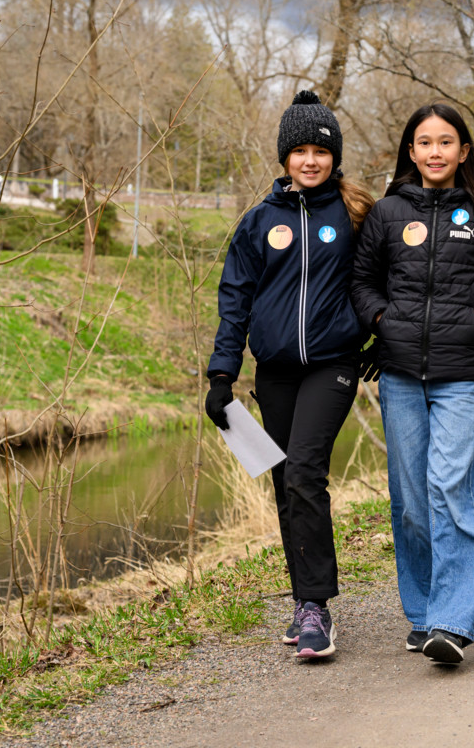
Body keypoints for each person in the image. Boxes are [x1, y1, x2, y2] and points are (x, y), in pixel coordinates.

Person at [351, 102, 474, 664]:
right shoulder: (388, 213)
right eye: (425, 142)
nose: (435, 151)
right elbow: (360, 281)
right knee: (413, 502)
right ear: (410, 151)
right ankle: (423, 616)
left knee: (449, 488)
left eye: (446, 142)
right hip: (398, 375)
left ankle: (453, 621)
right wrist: (382, 319)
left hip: (461, 376)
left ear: (464, 151)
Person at [205, 90, 374, 659]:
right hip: (274, 371)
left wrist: (380, 340)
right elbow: (235, 301)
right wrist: (221, 376)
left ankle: (317, 607)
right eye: (299, 151)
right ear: (284, 157)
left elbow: (385, 284)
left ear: (334, 157)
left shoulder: (354, 215)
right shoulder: (259, 222)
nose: (310, 160)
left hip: (333, 364)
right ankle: (304, 602)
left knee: (304, 471)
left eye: (320, 151)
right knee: (284, 482)